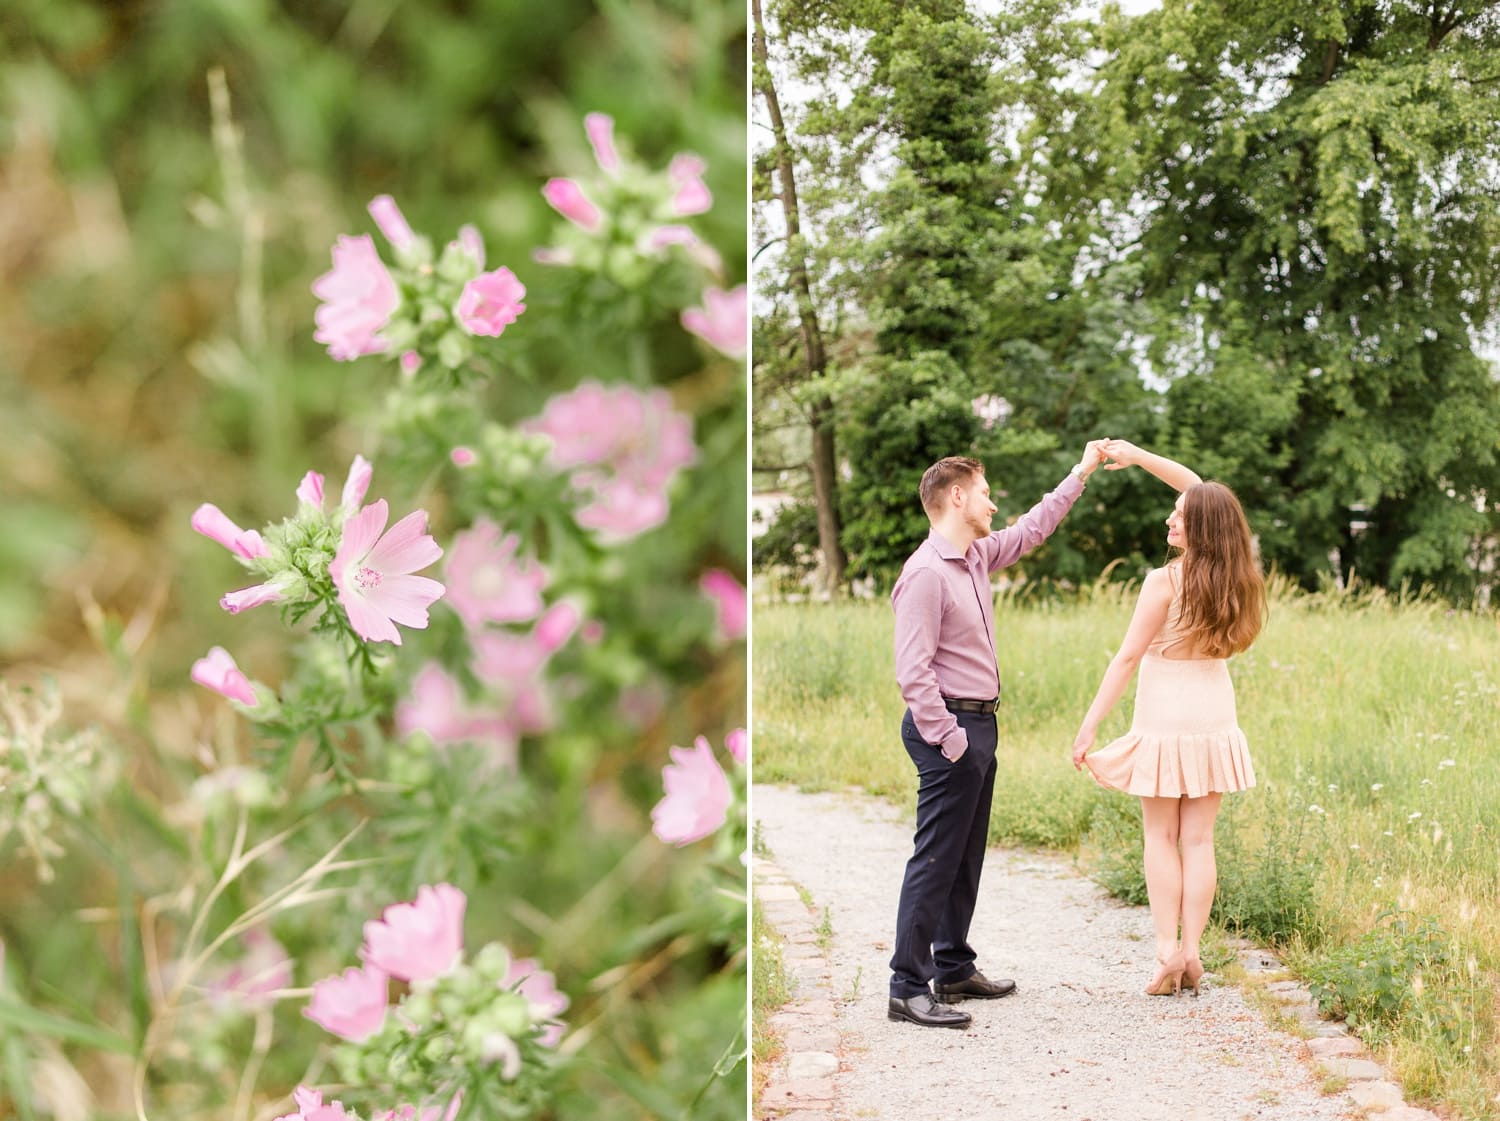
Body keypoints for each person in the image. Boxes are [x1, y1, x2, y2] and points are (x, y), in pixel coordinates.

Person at [889, 444, 1107, 1029]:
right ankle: (906, 986)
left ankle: (953, 967)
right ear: (957, 497)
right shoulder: (926, 573)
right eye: (984, 492)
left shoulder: (976, 556)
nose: (993, 501)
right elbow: (913, 672)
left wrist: (1081, 471)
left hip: (980, 723)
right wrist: (951, 739)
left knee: (964, 857)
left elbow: (1034, 528)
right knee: (936, 858)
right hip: (951, 730)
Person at [1071, 440, 1265, 997]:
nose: (1169, 517)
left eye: (1179, 517)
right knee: (1199, 840)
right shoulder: (1238, 577)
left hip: (1163, 717)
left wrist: (1089, 727)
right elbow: (1202, 492)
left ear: (1200, 527)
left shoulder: (1164, 581)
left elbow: (1127, 657)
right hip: (1213, 717)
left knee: (1160, 835)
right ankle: (1193, 952)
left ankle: (1165, 951)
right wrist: (1139, 457)